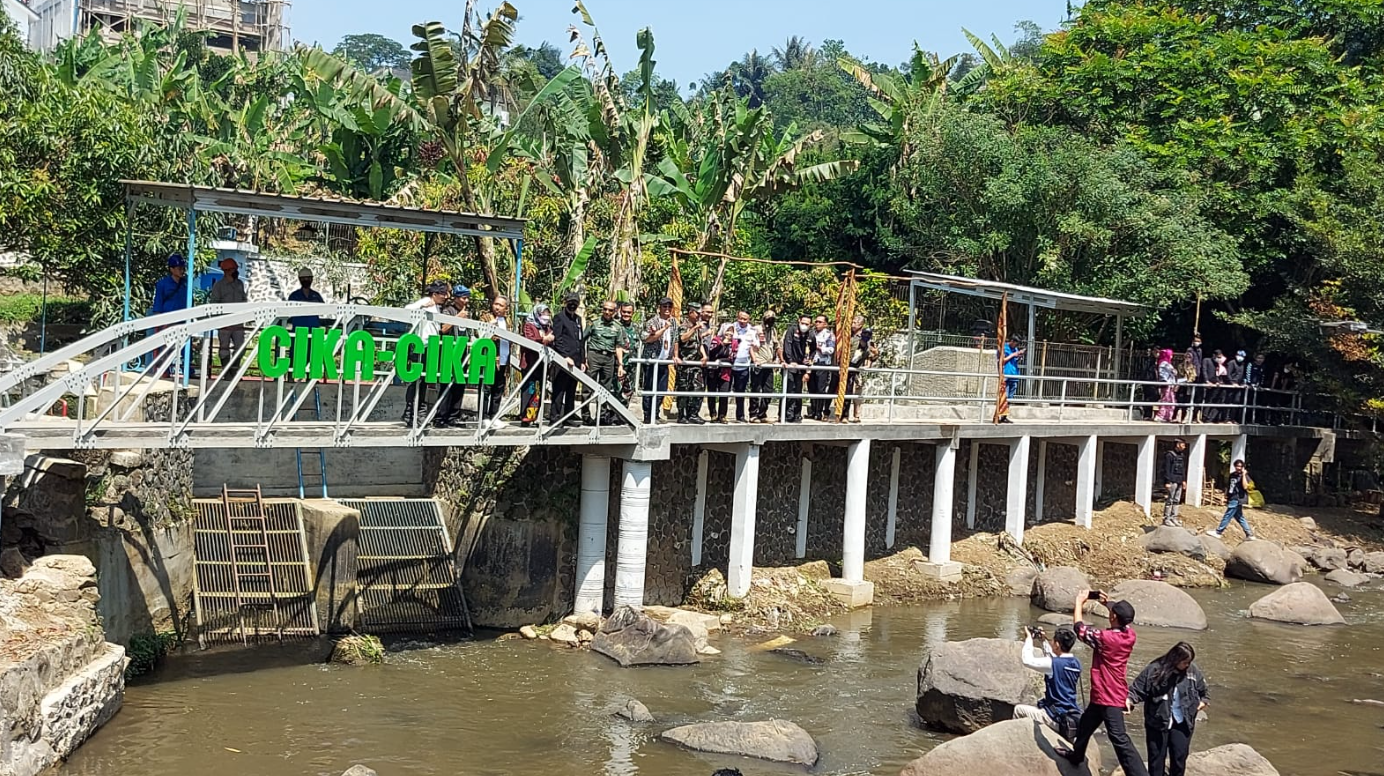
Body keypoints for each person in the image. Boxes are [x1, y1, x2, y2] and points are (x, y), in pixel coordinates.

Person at [1058, 590, 1147, 776]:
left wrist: (1079, 603)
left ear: (1114, 617)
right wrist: (1108, 605)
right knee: (1085, 725)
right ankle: (1076, 755)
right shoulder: (1129, 635)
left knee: (1119, 738)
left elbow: (1079, 629)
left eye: (1112, 612)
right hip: (1104, 693)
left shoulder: (1107, 639)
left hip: (1109, 697)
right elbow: (1119, 620)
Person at [1129, 642, 1208, 776]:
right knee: (1156, 760)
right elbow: (1136, 690)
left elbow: (1204, 693)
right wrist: (1129, 701)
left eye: (1189, 662)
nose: (1187, 665)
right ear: (1175, 659)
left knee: (1179, 758)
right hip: (1157, 722)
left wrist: (1202, 703)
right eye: (1184, 662)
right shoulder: (1154, 670)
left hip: (1183, 722)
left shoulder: (1192, 671)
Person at [1014, 625, 1084, 739]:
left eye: (1053, 640)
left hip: (1055, 717)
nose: (1051, 642)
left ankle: (1018, 741)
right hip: (1070, 714)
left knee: (1018, 710)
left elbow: (1027, 661)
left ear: (1057, 644)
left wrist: (1029, 639)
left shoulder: (1053, 664)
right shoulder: (1076, 663)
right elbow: (1054, 659)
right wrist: (1043, 640)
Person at [401, 281, 451, 426]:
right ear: (434, 294)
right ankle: (411, 413)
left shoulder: (437, 307)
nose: (445, 297)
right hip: (421, 346)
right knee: (417, 381)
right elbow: (407, 309)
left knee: (423, 382)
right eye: (442, 294)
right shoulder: (426, 301)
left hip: (431, 346)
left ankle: (416, 414)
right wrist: (422, 305)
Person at [433, 284, 474, 427]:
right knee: (446, 384)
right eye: (463, 298)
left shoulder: (468, 312)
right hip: (449, 352)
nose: (466, 301)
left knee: (460, 384)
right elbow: (443, 329)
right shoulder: (448, 311)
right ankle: (440, 417)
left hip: (463, 352)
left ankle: (453, 416)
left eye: (468, 298)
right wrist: (458, 317)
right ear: (456, 298)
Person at [583, 300, 630, 425]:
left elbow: (619, 346)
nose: (607, 312)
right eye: (605, 309)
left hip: (609, 358)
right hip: (594, 355)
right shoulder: (594, 323)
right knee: (587, 387)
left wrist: (620, 364)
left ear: (615, 311)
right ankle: (586, 416)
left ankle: (602, 416)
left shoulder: (617, 327)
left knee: (605, 389)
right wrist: (584, 358)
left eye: (610, 310)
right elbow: (582, 340)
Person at [549, 292, 586, 427]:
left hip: (576, 361)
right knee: (559, 389)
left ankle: (568, 417)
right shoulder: (559, 318)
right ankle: (555, 418)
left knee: (571, 389)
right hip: (563, 360)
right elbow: (558, 340)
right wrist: (565, 356)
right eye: (570, 302)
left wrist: (582, 360)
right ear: (565, 302)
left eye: (575, 303)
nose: (573, 305)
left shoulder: (578, 319)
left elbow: (581, 340)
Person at [639, 297, 677, 424]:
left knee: (661, 389)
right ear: (659, 308)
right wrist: (664, 328)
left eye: (669, 307)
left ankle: (655, 414)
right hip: (652, 360)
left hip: (664, 361)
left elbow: (675, 340)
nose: (667, 309)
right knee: (649, 388)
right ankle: (647, 415)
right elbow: (648, 339)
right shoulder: (652, 322)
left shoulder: (674, 322)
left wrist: (675, 355)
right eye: (664, 306)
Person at [207, 256, 248, 373]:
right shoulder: (219, 286)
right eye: (233, 269)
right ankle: (226, 372)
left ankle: (235, 371)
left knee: (240, 347)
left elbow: (244, 300)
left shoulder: (239, 284)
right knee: (224, 348)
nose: (236, 272)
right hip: (224, 323)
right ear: (227, 271)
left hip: (238, 322)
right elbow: (214, 303)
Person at [478, 295, 514, 426]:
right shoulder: (486, 318)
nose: (497, 307)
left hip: (504, 358)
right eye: (496, 304)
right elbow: (480, 335)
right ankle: (483, 416)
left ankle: (494, 415)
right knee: (486, 387)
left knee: (499, 388)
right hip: (489, 357)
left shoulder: (508, 321)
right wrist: (490, 326)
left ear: (506, 308)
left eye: (501, 305)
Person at [518, 303, 553, 427]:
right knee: (529, 389)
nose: (546, 317)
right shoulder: (529, 325)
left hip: (542, 365)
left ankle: (537, 417)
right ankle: (526, 418)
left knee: (539, 391)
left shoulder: (548, 327)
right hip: (530, 363)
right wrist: (543, 340)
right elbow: (530, 340)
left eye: (547, 314)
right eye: (543, 314)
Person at [673, 304, 707, 424]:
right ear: (691, 312)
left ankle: (693, 414)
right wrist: (694, 328)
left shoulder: (697, 327)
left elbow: (700, 343)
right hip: (685, 364)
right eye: (697, 313)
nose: (699, 315)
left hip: (696, 364)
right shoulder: (684, 326)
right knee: (683, 390)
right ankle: (682, 415)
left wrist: (704, 356)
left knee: (698, 389)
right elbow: (682, 339)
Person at [728, 310, 760, 422]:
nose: (742, 321)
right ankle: (721, 416)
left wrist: (755, 353)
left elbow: (755, 347)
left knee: (740, 392)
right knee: (724, 391)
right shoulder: (730, 327)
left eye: (745, 319)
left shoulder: (752, 331)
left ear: (748, 319)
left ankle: (740, 416)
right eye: (740, 318)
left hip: (743, 366)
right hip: (729, 365)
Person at [1209, 459, 1254, 539]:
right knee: (1239, 517)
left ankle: (1219, 532)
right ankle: (1249, 534)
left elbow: (1245, 486)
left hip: (1237, 498)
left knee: (1228, 514)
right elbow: (1228, 486)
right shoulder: (1232, 475)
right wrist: (1224, 496)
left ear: (1243, 467)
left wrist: (1243, 475)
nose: (1238, 468)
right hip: (1231, 497)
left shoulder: (1245, 476)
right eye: (1237, 466)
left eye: (1240, 466)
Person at [845, 316, 878, 423]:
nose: (865, 336)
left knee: (858, 394)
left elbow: (873, 357)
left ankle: (857, 416)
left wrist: (875, 354)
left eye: (868, 334)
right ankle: (844, 415)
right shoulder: (853, 338)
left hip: (860, 371)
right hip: (850, 368)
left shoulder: (870, 343)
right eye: (865, 334)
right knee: (847, 392)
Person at [749, 309, 779, 423]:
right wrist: (754, 359)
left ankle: (762, 414)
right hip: (758, 363)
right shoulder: (756, 329)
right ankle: (753, 414)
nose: (770, 321)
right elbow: (751, 345)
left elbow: (776, 346)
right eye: (768, 319)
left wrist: (777, 359)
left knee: (768, 390)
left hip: (769, 364)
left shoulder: (773, 331)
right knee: (756, 390)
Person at [782, 315, 812, 423]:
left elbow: (812, 349)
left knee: (798, 391)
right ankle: (786, 414)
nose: (804, 325)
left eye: (807, 324)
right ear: (799, 321)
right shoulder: (792, 330)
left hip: (801, 367)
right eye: (803, 323)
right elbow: (787, 345)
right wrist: (790, 360)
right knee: (789, 389)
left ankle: (797, 414)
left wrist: (809, 361)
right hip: (791, 366)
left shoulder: (810, 334)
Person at [704, 325, 733, 423]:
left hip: (726, 372)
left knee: (724, 394)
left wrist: (719, 360)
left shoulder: (734, 343)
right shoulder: (716, 340)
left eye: (731, 331)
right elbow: (712, 354)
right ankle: (713, 414)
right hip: (713, 371)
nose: (729, 333)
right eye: (728, 331)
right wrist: (722, 345)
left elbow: (733, 358)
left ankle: (722, 415)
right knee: (712, 393)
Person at [808, 315, 835, 420]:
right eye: (816, 321)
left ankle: (819, 412)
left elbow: (831, 350)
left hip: (823, 363)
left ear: (825, 324)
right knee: (811, 387)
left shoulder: (829, 335)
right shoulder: (811, 333)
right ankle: (813, 411)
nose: (817, 323)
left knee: (820, 388)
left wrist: (819, 348)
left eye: (820, 322)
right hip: (811, 362)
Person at [1162, 438, 1188, 527]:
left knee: (1177, 500)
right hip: (1172, 481)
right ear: (1177, 444)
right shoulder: (1169, 455)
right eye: (1183, 444)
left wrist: (1184, 480)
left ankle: (1174, 518)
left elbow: (1183, 469)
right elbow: (1167, 469)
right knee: (1170, 500)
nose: (1184, 446)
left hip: (1179, 480)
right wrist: (1167, 481)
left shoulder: (1181, 455)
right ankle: (1167, 518)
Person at [618, 301, 638, 403]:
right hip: (618, 364)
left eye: (629, 312)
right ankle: (611, 416)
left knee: (629, 391)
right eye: (624, 312)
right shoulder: (616, 325)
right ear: (620, 311)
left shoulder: (636, 327)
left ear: (632, 313)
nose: (626, 314)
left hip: (632, 365)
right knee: (616, 390)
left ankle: (623, 415)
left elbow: (645, 337)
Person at [1155, 349, 1179, 422]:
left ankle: (1167, 416)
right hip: (1167, 384)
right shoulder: (1165, 363)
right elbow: (1174, 371)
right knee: (1166, 400)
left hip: (1169, 384)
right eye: (1170, 355)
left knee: (1170, 400)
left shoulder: (1161, 363)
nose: (1172, 356)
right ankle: (1161, 416)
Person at [1243, 352, 1266, 424]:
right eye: (1258, 358)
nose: (1260, 360)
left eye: (1262, 358)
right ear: (1255, 358)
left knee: (1257, 404)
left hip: (1257, 387)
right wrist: (1249, 384)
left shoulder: (1263, 367)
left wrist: (1260, 385)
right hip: (1250, 387)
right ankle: (1246, 420)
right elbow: (1248, 374)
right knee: (1248, 403)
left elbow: (1262, 377)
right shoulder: (1251, 364)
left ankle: (1255, 420)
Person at [1002, 334, 1025, 401]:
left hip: (1014, 374)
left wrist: (1019, 357)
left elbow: (1015, 361)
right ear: (1012, 341)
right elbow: (1003, 360)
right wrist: (1013, 355)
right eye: (1016, 344)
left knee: (1010, 397)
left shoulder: (1015, 349)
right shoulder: (1004, 348)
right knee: (1005, 396)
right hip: (1006, 374)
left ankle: (1008, 408)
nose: (1016, 346)